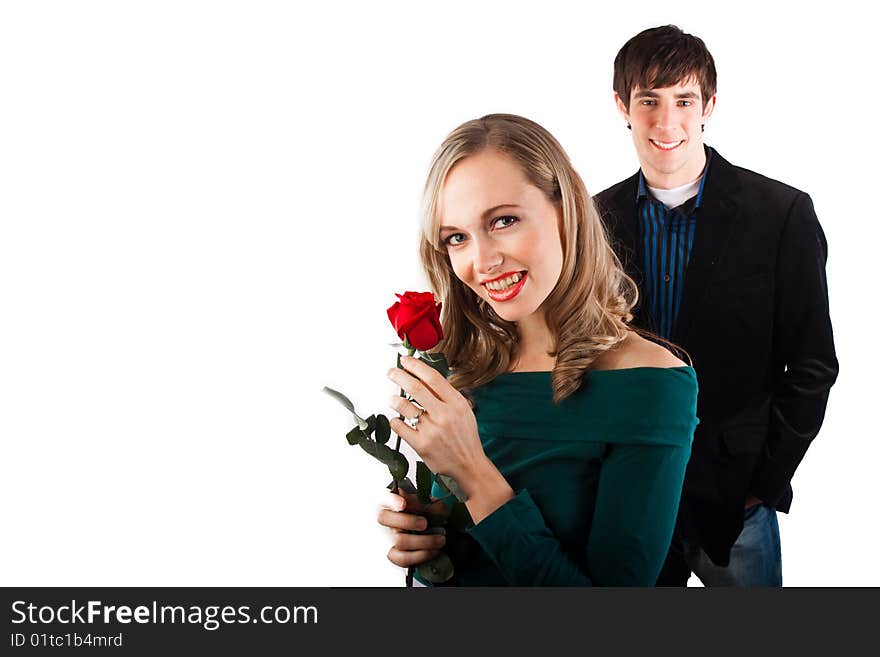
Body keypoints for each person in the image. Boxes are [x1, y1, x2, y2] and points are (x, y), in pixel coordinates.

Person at [378, 113, 698, 586]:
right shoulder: (462, 369)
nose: (482, 261)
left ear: (565, 210)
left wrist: (472, 474)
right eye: (457, 238)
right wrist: (429, 535)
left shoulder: (651, 384)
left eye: (503, 221)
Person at [594, 26, 838, 586]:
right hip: (629, 495)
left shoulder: (781, 214)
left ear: (708, 106)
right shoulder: (591, 222)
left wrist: (766, 477)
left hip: (737, 498)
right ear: (621, 108)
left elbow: (812, 365)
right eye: (647, 101)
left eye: (683, 100)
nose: (665, 122)